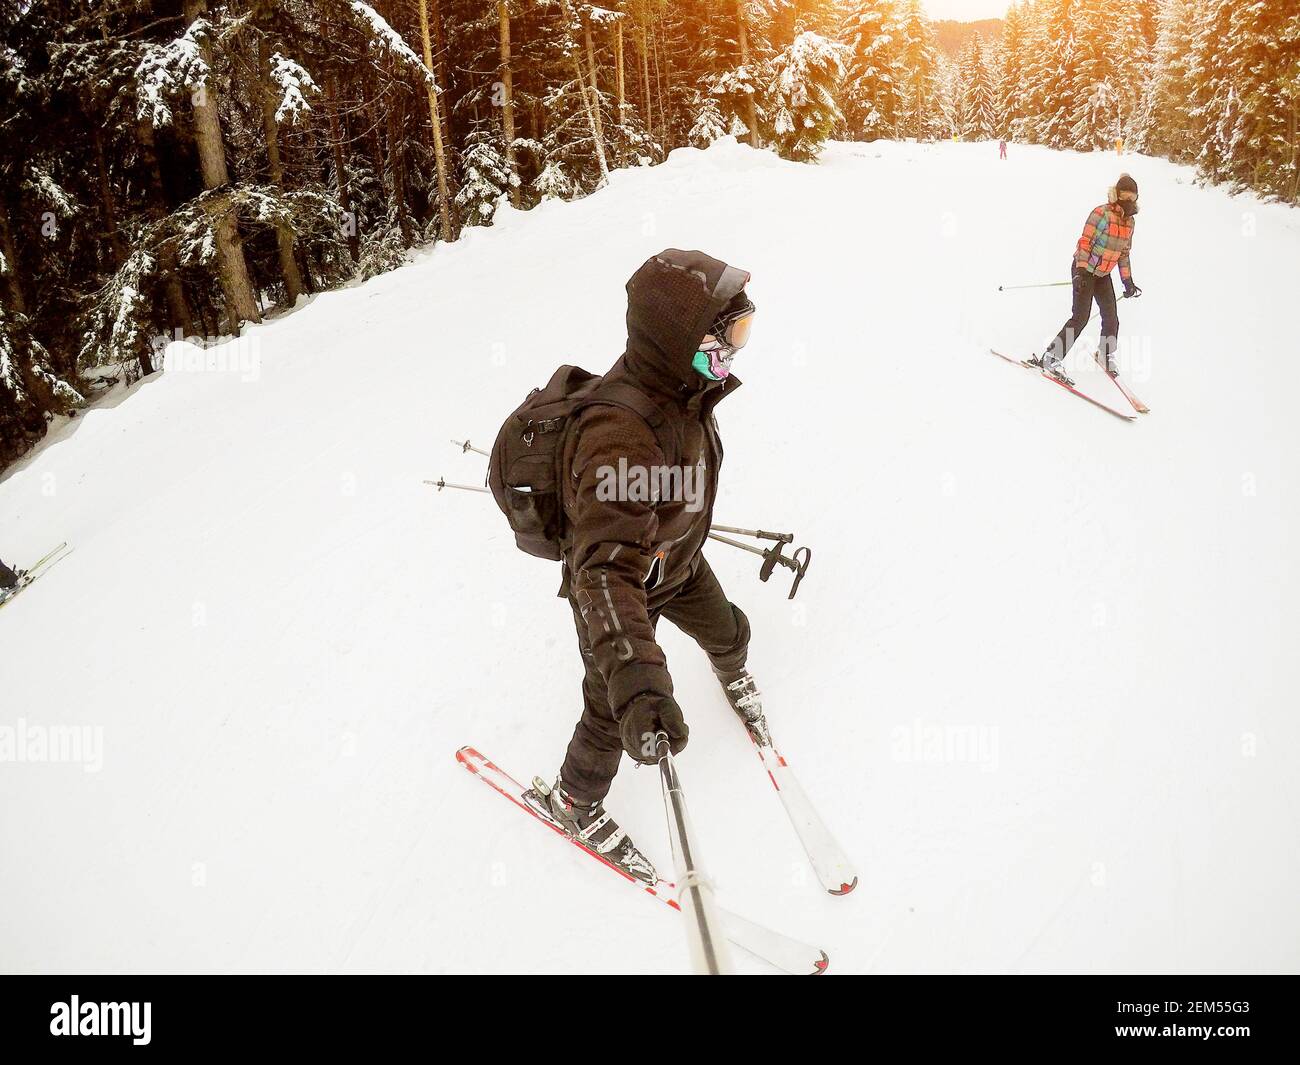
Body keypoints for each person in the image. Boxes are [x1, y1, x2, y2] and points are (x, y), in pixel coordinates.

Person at [526, 249, 765, 884]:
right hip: (619, 592)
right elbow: (602, 571)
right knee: (610, 704)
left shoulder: (682, 389)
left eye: (745, 330)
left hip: (676, 561)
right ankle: (574, 799)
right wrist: (638, 677)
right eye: (730, 335)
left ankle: (733, 672)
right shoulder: (620, 434)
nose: (738, 350)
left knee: (727, 629)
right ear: (682, 338)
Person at [1031, 173, 1142, 385]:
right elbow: (1084, 243)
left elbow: (1124, 253)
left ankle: (1105, 353)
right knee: (1080, 317)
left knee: (1111, 317)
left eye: (1132, 199)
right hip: (1085, 270)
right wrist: (1081, 271)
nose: (1129, 203)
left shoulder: (1130, 223)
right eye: (1125, 198)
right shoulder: (1101, 214)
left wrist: (1127, 281)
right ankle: (1051, 357)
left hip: (1103, 274)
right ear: (1117, 196)